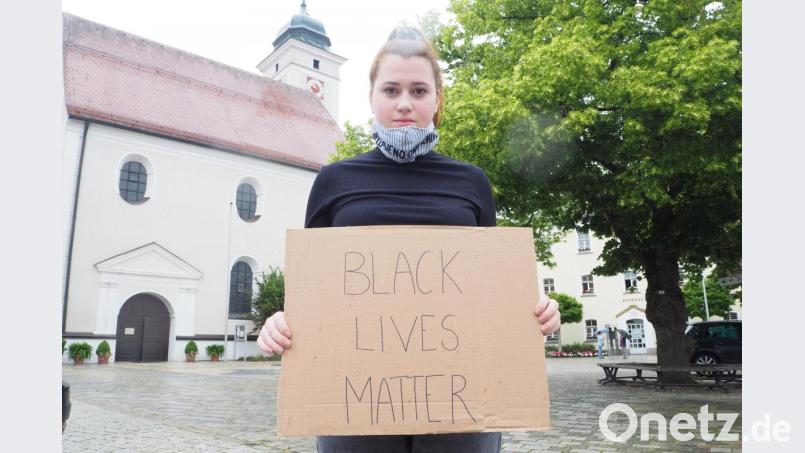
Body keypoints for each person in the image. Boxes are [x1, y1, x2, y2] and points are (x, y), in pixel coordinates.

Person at [257, 25, 562, 453]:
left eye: (419, 91)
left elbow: (492, 291)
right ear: (372, 97)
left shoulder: (472, 182)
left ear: (437, 98)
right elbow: (314, 291)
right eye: (392, 90)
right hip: (355, 404)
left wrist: (538, 313)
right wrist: (279, 323)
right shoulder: (334, 181)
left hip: (463, 404)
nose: (404, 104)